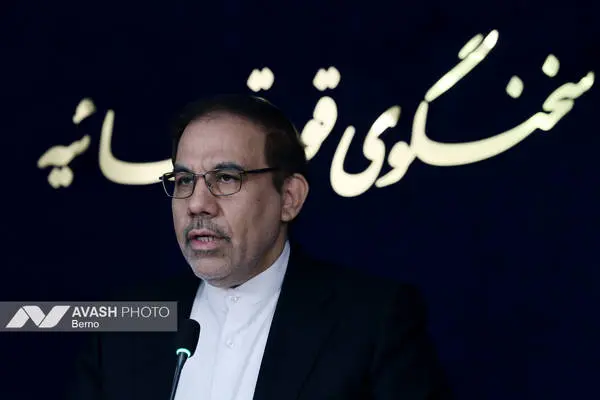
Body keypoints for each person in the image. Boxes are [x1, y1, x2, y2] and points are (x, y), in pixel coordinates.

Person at [66, 94, 453, 399]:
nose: (197, 203)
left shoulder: (372, 320)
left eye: (225, 177)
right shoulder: (126, 320)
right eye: (184, 181)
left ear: (289, 198)